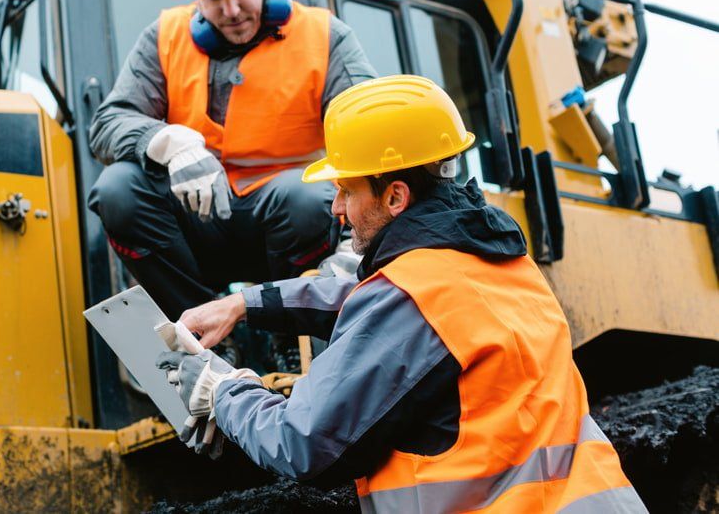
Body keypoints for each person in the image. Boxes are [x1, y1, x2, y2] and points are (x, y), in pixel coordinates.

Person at [157, 75, 647, 513]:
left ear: (395, 196)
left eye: (347, 190)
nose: (337, 208)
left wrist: (223, 392)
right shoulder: (499, 263)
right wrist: (244, 304)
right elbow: (370, 297)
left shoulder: (412, 296)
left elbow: (301, 445)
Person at [87, 0, 375, 321]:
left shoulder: (326, 37)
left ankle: (290, 325)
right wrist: (166, 141)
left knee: (307, 197)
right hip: (195, 225)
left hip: (294, 228)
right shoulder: (164, 37)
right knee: (117, 190)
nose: (231, 10)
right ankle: (200, 331)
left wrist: (357, 245)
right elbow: (108, 124)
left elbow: (371, 132)